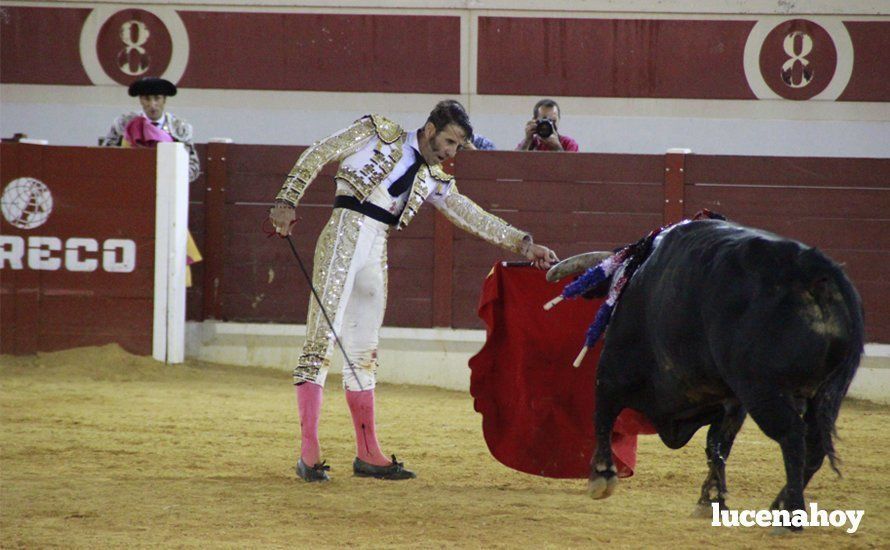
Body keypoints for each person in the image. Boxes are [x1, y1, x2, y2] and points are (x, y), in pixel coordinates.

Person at [269, 100, 558, 482]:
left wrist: (524, 244)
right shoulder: (375, 130)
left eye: (457, 146)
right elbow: (320, 151)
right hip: (344, 229)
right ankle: (309, 453)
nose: (450, 152)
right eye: (449, 141)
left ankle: (368, 452)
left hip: (376, 245)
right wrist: (287, 199)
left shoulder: (432, 178)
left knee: (364, 352)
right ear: (429, 128)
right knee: (320, 342)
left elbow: (470, 214)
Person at [101, 77, 201, 183]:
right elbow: (106, 157)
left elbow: (193, 166)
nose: (152, 105)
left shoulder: (179, 127)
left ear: (164, 100)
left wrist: (173, 180)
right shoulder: (125, 123)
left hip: (167, 186)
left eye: (157, 98)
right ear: (140, 100)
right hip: (130, 182)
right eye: (147, 99)